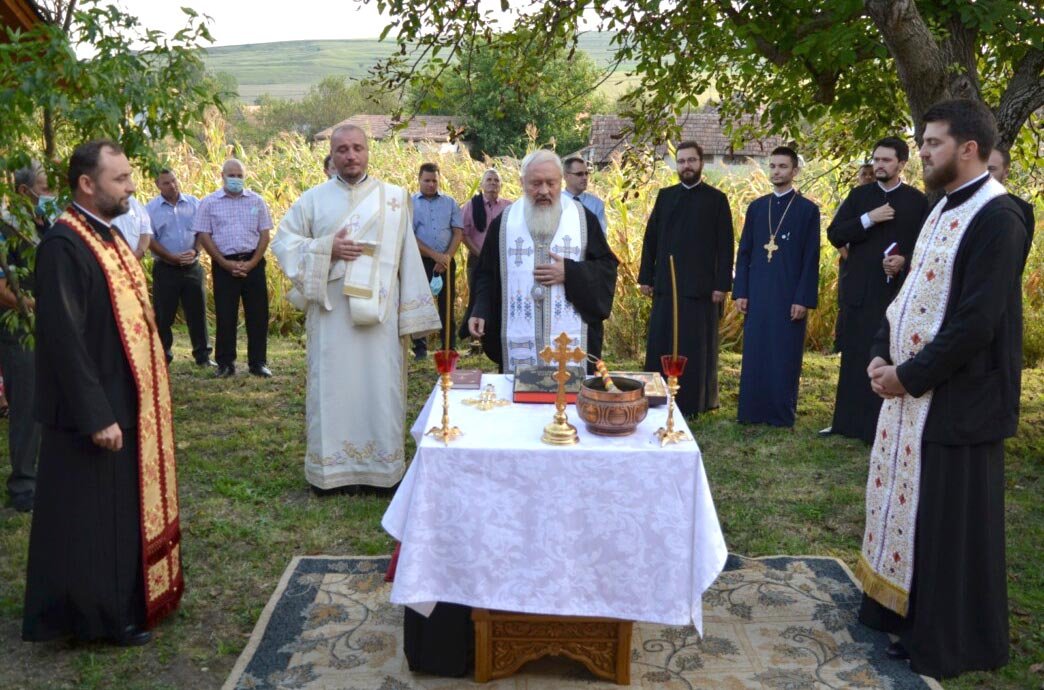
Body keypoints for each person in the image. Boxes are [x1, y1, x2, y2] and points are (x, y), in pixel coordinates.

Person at [856, 99, 1025, 680]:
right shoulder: (938, 209)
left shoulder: (998, 218)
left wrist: (909, 375)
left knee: (948, 523)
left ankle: (946, 638)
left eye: (931, 143)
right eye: (923, 142)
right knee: (914, 510)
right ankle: (901, 615)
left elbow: (977, 323)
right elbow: (906, 298)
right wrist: (882, 350)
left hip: (958, 401)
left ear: (968, 149)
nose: (922, 152)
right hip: (913, 395)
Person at [23, 140, 182, 646]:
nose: (132, 186)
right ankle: (96, 619)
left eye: (130, 176)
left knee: (117, 512)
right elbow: (64, 340)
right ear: (87, 185)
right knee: (91, 522)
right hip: (91, 415)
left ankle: (127, 602)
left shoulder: (109, 237)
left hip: (124, 401)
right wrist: (97, 415)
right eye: (120, 179)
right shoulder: (64, 245)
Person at [272, 125, 440, 493]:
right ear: (332, 154)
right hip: (332, 315)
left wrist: (411, 315)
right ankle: (332, 473)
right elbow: (283, 243)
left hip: (380, 316)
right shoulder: (312, 200)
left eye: (357, 148)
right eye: (343, 149)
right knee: (333, 389)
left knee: (380, 387)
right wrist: (327, 248)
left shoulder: (394, 199)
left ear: (368, 152)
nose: (351, 156)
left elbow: (407, 258)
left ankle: (381, 472)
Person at [469, 149, 618, 370]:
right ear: (522, 182)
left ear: (561, 181)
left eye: (551, 183)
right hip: (517, 341)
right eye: (535, 183)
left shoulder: (582, 219)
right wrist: (480, 309)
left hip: (569, 341)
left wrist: (570, 272)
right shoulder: (504, 224)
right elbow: (486, 273)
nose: (544, 191)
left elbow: (606, 268)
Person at [824, 137, 929, 442]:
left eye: (886, 160)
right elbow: (835, 233)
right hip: (860, 291)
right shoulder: (859, 197)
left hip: (895, 295)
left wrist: (903, 260)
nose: (879, 165)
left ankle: (881, 428)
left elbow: (923, 245)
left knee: (888, 357)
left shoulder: (916, 200)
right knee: (856, 356)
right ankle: (848, 424)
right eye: (876, 159)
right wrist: (868, 219)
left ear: (901, 164)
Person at [638, 140, 734, 415]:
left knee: (696, 346)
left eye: (691, 160)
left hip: (701, 290)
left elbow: (726, 246)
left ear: (701, 163)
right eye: (681, 161)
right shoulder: (665, 196)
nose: (686, 166)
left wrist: (721, 285)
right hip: (666, 286)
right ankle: (657, 395)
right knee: (661, 341)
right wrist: (646, 276)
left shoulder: (716, 199)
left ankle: (695, 401)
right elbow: (650, 240)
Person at [733, 146, 820, 427]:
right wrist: (741, 291)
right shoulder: (758, 207)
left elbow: (811, 258)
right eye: (773, 166)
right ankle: (751, 411)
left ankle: (780, 414)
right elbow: (744, 252)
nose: (776, 172)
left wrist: (803, 299)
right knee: (756, 351)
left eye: (783, 167)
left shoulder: (808, 210)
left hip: (788, 295)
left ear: (795, 171)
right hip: (757, 292)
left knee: (784, 353)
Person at [194, 159, 274, 378]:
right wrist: (224, 262)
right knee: (225, 314)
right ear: (222, 176)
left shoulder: (257, 201)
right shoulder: (209, 203)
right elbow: (204, 235)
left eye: (240, 175)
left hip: (253, 263)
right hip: (224, 264)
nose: (236, 179)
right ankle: (225, 363)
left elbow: (265, 234)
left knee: (258, 314)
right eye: (232, 175)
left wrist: (252, 262)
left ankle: (258, 362)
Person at [0, 162, 47, 512]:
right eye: (43, 188)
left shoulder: (42, 224)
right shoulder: (6, 228)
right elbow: (3, 288)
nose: (48, 195)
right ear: (23, 192)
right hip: (19, 328)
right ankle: (23, 487)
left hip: (49, 326)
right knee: (28, 405)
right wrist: (34, 306)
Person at [146, 169, 214, 367]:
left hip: (192, 266)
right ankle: (163, 356)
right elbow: (149, 239)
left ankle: (203, 356)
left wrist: (195, 251)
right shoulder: (150, 209)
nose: (172, 185)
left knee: (197, 312)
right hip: (165, 267)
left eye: (174, 181)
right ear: (158, 185)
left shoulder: (194, 203)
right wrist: (171, 257)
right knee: (163, 314)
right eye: (166, 183)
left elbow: (203, 231)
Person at [410, 162, 463, 359]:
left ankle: (449, 346)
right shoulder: (411, 203)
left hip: (446, 262)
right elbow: (410, 236)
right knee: (421, 304)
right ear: (419, 180)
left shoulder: (450, 203)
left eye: (434, 181)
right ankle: (420, 349)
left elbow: (458, 233)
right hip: (421, 261)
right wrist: (435, 256)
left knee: (446, 305)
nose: (431, 184)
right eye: (427, 180)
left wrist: (446, 257)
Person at [457, 168, 511, 342]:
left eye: (496, 181)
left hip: (503, 260)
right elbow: (463, 233)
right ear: (481, 184)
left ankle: (496, 333)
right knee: (477, 295)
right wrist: (480, 253)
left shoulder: (508, 207)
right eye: (489, 180)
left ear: (501, 186)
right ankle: (475, 338)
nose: (493, 183)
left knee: (501, 295)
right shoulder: (472, 206)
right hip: (477, 259)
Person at [987, 148, 1035, 265]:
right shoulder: (953, 203)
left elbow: (1016, 262)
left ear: (1006, 172)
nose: (984, 174)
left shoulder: (1022, 210)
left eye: (991, 169)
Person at [562, 156, 607, 234]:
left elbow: (601, 237)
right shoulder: (553, 202)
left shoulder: (597, 204)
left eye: (586, 173)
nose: (585, 177)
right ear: (566, 176)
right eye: (579, 174)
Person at [111, 193, 153, 259]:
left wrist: (140, 252)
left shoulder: (134, 203)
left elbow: (145, 231)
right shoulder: (98, 201)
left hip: (133, 261)